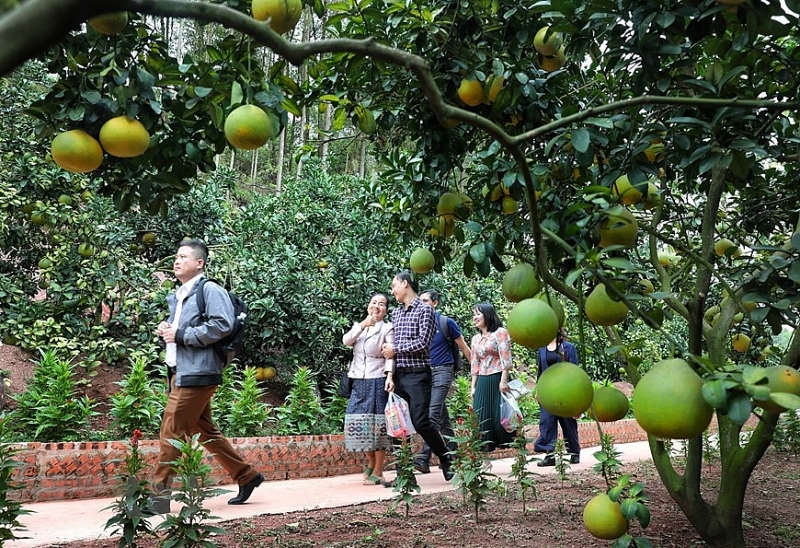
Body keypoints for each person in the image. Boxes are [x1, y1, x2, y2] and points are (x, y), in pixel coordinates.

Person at [153, 239, 264, 513]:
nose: (177, 261)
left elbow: (222, 324)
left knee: (172, 431)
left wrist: (180, 334)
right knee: (205, 431)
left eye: (183, 257)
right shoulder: (180, 295)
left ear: (199, 263)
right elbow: (185, 331)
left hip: (199, 373)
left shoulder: (210, 289)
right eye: (176, 257)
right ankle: (246, 476)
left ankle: (157, 499)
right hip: (180, 371)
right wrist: (168, 330)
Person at [381, 271, 454, 483]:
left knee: (421, 422)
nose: (392, 290)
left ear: (405, 284)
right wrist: (390, 374)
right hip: (399, 376)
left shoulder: (425, 311)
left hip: (418, 375)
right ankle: (405, 474)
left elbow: (423, 343)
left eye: (394, 285)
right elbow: (391, 350)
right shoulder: (396, 314)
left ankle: (445, 457)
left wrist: (395, 350)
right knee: (395, 423)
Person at [413, 289, 472, 474]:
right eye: (419, 301)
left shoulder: (446, 323)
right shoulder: (416, 324)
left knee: (432, 415)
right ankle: (454, 454)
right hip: (424, 374)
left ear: (435, 303)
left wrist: (478, 370)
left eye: (425, 301)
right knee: (442, 416)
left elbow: (463, 347)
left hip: (442, 372)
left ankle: (424, 456)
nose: (421, 304)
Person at [342, 293, 395, 485]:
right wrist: (363, 324)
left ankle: (379, 470)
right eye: (374, 302)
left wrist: (390, 375)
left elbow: (390, 354)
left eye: (381, 304)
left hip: (377, 379)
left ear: (386, 310)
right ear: (368, 306)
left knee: (377, 426)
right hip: (358, 379)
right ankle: (371, 462)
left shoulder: (387, 328)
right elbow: (346, 341)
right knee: (357, 424)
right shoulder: (360, 327)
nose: (376, 306)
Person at [470, 303, 515, 455]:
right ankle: (483, 456)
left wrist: (503, 381)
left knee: (499, 417)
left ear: (487, 315)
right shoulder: (476, 338)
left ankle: (506, 445)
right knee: (480, 416)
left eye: (478, 314)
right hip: (482, 379)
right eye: (474, 314)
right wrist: (473, 386)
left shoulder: (500, 333)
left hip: (497, 378)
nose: (474, 318)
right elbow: (475, 363)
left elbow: (506, 359)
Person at [534, 326, 581, 466]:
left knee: (568, 423)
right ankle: (549, 456)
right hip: (547, 391)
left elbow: (574, 370)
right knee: (547, 422)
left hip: (565, 390)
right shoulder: (542, 348)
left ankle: (574, 452)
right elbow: (540, 371)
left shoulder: (568, 347)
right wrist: (538, 390)